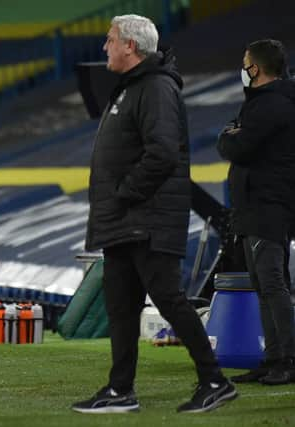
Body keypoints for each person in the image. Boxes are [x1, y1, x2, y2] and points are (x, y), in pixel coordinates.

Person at [72, 14, 237, 414]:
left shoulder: (156, 88)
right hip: (125, 221)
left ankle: (215, 380)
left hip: (146, 218)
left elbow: (162, 153)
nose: (105, 47)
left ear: (130, 45)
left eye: (110, 40)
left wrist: (126, 193)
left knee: (169, 299)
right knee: (121, 306)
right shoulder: (132, 87)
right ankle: (120, 390)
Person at [217, 39, 295, 385]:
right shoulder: (266, 103)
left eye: (245, 63)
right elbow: (235, 139)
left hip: (267, 205)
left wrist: (232, 136)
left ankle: (289, 359)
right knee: (264, 286)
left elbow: (238, 145)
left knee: (273, 284)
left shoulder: (271, 105)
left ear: (256, 69)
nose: (243, 69)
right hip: (257, 205)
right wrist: (233, 135)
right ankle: (275, 356)